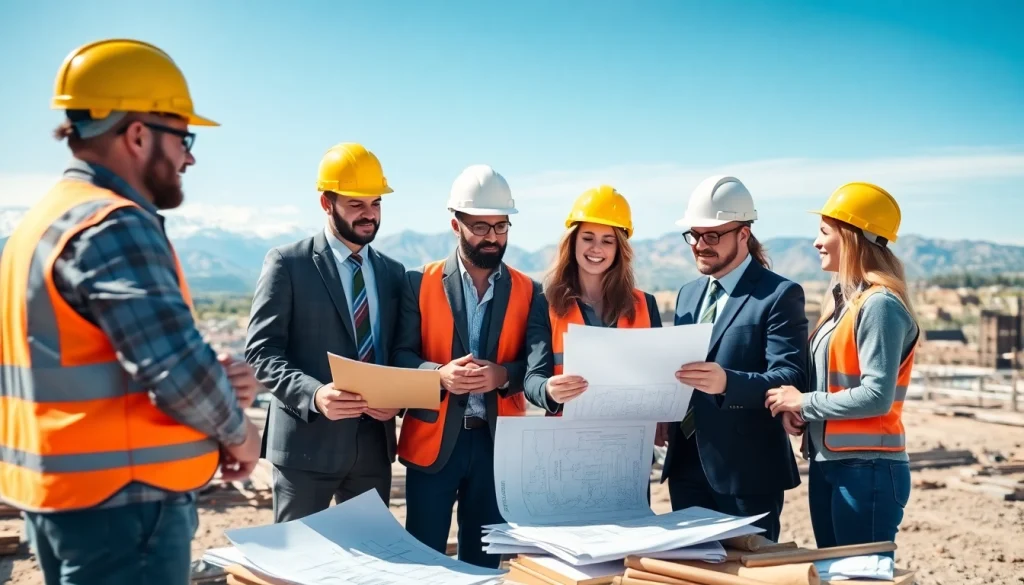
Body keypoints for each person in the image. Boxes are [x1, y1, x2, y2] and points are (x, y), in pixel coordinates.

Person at [0, 39, 263, 585]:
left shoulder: (40, 224)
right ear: (138, 134)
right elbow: (173, 371)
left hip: (62, 501)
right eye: (184, 138)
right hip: (127, 508)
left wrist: (211, 370)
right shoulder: (114, 224)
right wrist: (238, 432)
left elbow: (89, 355)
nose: (189, 156)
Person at [245, 143, 406, 522]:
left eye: (376, 203)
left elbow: (399, 352)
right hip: (305, 445)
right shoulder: (287, 263)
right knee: (296, 570)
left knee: (368, 566)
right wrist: (315, 395)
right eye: (356, 205)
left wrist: (398, 398)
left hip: (372, 448)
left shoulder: (393, 273)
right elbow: (261, 352)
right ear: (326, 203)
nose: (369, 215)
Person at [392, 164, 537, 568]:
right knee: (423, 561)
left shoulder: (529, 290)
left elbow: (538, 365)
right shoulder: (418, 282)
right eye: (481, 226)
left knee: (486, 564)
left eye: (501, 227)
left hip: (497, 446)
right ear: (456, 225)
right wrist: (438, 375)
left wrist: (503, 375)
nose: (493, 237)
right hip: (433, 445)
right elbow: (399, 356)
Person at [766, 182, 918, 554]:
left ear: (851, 237)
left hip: (868, 470)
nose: (817, 243)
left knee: (860, 577)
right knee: (836, 574)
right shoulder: (843, 305)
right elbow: (832, 382)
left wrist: (803, 402)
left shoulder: (880, 305)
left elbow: (876, 396)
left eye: (824, 232)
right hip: (832, 464)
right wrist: (803, 415)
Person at [660, 175, 808, 542]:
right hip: (685, 465)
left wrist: (728, 382)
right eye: (693, 235)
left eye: (712, 235)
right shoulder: (687, 295)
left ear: (744, 234)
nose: (699, 245)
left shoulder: (778, 294)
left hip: (748, 475)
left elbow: (791, 376)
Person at [524, 185, 662, 415]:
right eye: (588, 238)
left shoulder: (646, 306)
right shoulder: (546, 303)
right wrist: (548, 389)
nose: (596, 249)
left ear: (619, 248)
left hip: (631, 437)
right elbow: (532, 378)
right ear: (573, 242)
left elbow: (660, 376)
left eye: (608, 241)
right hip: (566, 442)